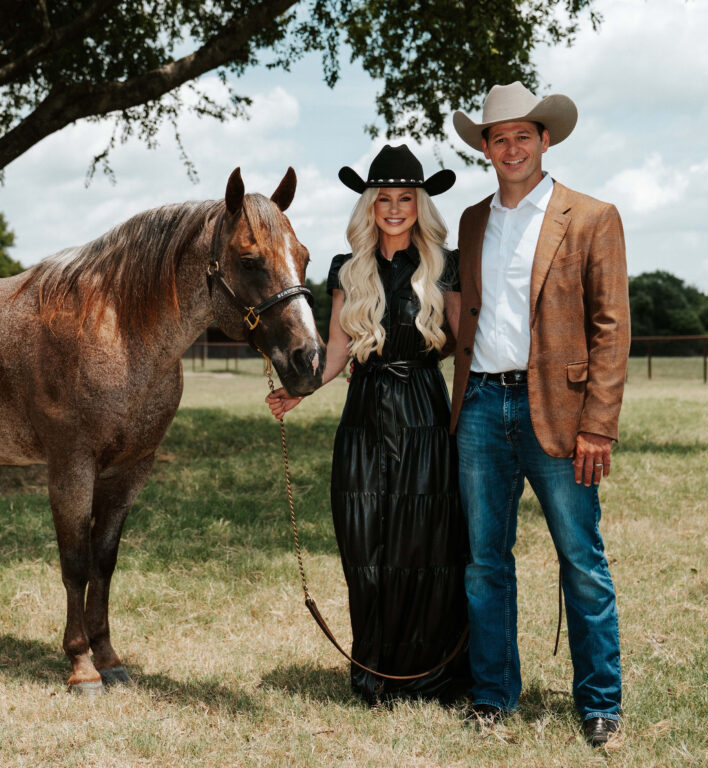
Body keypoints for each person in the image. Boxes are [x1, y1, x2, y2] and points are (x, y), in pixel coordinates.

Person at [448, 82, 630, 746]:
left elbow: (612, 329)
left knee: (581, 559)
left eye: (525, 134)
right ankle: (493, 695)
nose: (513, 147)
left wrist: (598, 425)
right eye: (500, 138)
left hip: (559, 409)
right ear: (487, 150)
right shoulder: (471, 221)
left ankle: (600, 702)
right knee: (485, 563)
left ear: (545, 140)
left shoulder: (591, 216)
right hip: (478, 407)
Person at [266, 144, 470, 707]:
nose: (396, 207)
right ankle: (375, 668)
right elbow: (335, 351)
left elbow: (462, 345)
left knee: (422, 544)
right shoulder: (345, 269)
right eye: (385, 198)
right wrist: (299, 391)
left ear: (420, 204)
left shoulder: (443, 265)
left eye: (407, 197)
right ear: (369, 206)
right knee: (365, 543)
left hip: (425, 413)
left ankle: (427, 673)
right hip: (364, 417)